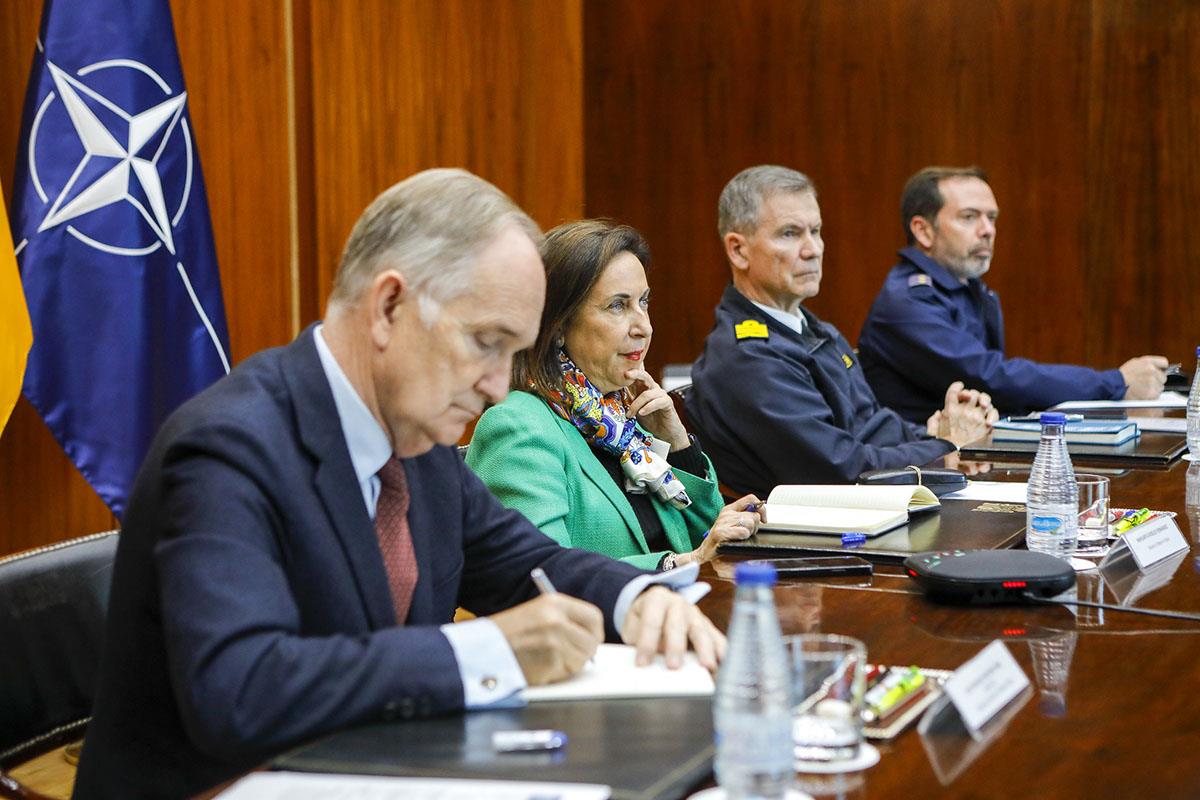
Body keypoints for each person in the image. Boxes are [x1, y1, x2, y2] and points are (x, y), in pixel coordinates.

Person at [73, 170, 725, 799]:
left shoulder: (416, 442)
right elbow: (241, 690)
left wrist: (636, 597)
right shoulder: (228, 447)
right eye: (485, 343)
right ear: (388, 307)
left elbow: (527, 561)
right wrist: (487, 649)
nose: (499, 385)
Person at [467, 220, 761, 572]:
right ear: (558, 326)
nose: (644, 327)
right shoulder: (517, 427)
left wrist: (679, 445)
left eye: (644, 302)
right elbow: (538, 575)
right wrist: (678, 563)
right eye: (618, 306)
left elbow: (706, 537)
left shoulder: (618, 418)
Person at [685, 165, 994, 498]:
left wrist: (935, 430)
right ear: (738, 250)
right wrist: (946, 446)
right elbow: (843, 470)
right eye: (790, 233)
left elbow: (873, 426)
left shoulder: (814, 330)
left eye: (815, 231)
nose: (813, 249)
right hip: (816, 540)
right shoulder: (747, 357)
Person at [857, 166, 1169, 422]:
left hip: (970, 452)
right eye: (969, 217)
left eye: (991, 218)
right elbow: (990, 377)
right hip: (924, 468)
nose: (987, 230)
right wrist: (1116, 382)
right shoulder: (906, 303)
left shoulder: (969, 289)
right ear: (923, 230)